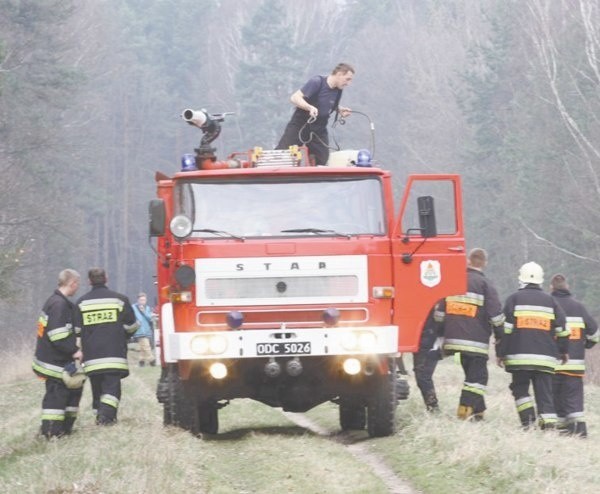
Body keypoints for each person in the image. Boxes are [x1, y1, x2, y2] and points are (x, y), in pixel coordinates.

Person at [497, 262, 569, 430]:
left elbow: (505, 331)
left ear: (521, 279)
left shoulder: (513, 299)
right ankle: (549, 429)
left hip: (518, 358)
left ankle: (528, 424)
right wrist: (563, 351)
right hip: (545, 359)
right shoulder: (551, 301)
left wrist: (501, 353)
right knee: (545, 394)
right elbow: (563, 329)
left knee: (520, 390)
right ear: (540, 280)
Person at [435, 248, 505, 420]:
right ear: (485, 263)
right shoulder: (486, 285)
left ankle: (478, 413)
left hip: (452, 339)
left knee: (472, 375)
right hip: (475, 342)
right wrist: (500, 336)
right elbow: (496, 316)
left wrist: (440, 335)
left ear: (468, 261)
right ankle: (464, 410)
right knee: (479, 377)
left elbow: (439, 313)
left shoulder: (453, 280)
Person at [74, 268, 140, 425]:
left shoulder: (81, 303)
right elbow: (132, 326)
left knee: (97, 390)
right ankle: (105, 418)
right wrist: (121, 334)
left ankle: (100, 415)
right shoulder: (120, 300)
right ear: (106, 279)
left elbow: (76, 331)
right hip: (114, 354)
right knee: (112, 390)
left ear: (89, 281)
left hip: (91, 357)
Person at [32, 269, 83, 438]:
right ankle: (51, 433)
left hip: (52, 358)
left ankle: (62, 429)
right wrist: (75, 351)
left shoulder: (54, 301)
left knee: (69, 393)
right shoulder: (59, 305)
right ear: (72, 283)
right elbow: (58, 336)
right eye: (77, 283)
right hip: (53, 361)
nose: (78, 287)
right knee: (56, 397)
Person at [276, 62, 354, 166]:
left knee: (322, 159)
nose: (348, 83)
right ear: (339, 74)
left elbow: (327, 103)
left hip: (319, 129)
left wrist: (339, 109)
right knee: (283, 155)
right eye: (347, 79)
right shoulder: (317, 82)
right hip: (301, 125)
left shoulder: (338, 90)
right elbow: (294, 98)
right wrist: (309, 107)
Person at [549, 273, 599, 437]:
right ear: (567, 287)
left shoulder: (548, 306)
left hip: (553, 365)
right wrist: (586, 344)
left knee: (556, 401)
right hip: (575, 366)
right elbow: (595, 334)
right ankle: (579, 433)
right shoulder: (579, 307)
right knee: (574, 402)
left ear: (551, 288)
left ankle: (560, 434)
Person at [412, 302, 444, 412]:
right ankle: (432, 406)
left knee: (423, 374)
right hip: (423, 338)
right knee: (422, 374)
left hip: (431, 339)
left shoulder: (439, 300)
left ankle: (433, 407)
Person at [132, 292, 156, 367]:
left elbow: (149, 318)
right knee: (146, 345)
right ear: (138, 300)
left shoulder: (147, 308)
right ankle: (152, 360)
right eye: (141, 300)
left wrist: (144, 312)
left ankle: (141, 361)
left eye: (144, 300)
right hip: (138, 329)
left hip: (146, 329)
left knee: (143, 347)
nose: (143, 301)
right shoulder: (133, 307)